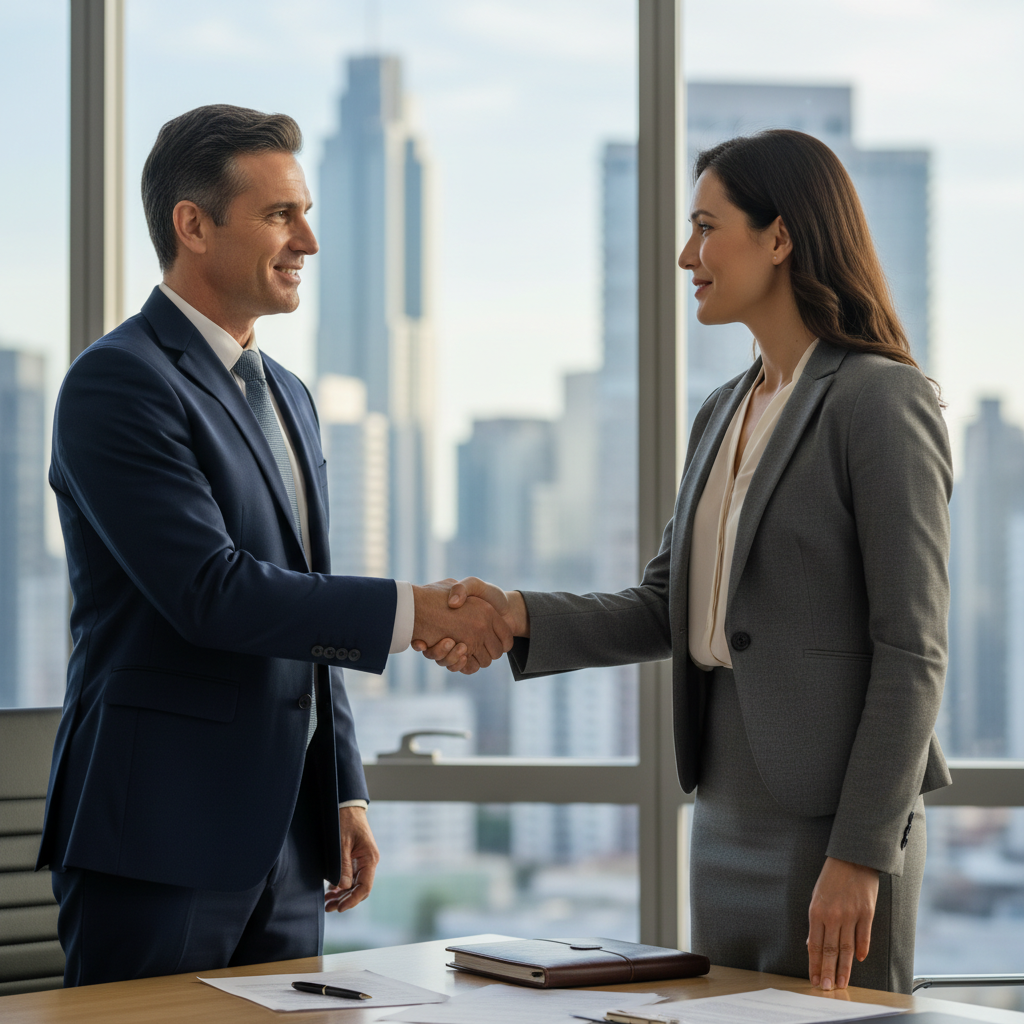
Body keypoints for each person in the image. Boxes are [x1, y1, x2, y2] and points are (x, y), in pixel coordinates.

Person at [417, 129, 952, 994]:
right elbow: (667, 602)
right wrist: (517, 614)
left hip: (837, 819)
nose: (685, 255)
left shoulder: (880, 400)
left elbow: (913, 649)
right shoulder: (722, 409)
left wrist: (859, 854)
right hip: (725, 806)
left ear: (780, 239)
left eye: (707, 227)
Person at [38, 104, 511, 986]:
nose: (310, 242)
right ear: (193, 225)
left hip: (293, 846)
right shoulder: (117, 383)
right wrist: (415, 613)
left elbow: (305, 602)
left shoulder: (288, 394)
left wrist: (341, 787)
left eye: (307, 213)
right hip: (159, 839)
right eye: (281, 215)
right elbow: (213, 593)